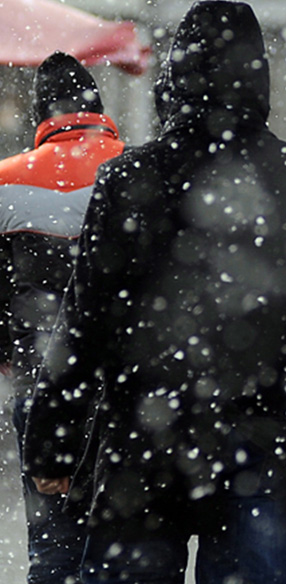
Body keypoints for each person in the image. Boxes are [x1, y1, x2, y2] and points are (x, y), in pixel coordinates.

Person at [22, 2, 286, 583]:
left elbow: (85, 323)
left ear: (175, 78)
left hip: (143, 439)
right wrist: (277, 367)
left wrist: (54, 445)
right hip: (259, 431)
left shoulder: (130, 178)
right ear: (258, 76)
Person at [0, 51, 125, 584]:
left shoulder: (5, 181)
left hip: (41, 385)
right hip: (130, 396)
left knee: (53, 549)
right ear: (98, 106)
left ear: (40, 115)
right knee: (128, 550)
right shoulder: (136, 167)